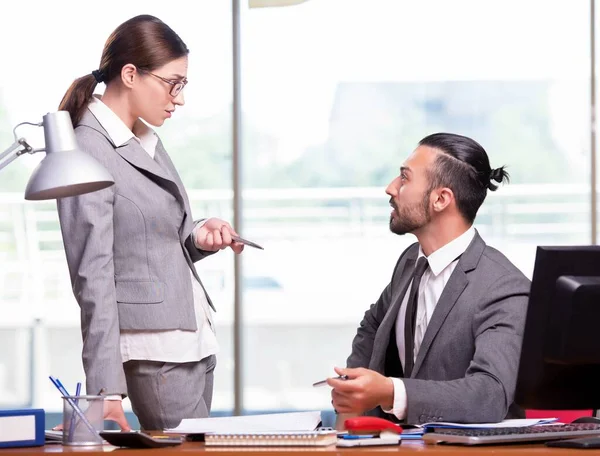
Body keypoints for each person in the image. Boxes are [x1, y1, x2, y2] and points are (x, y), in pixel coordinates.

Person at [56, 14, 243, 431]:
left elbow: (147, 238)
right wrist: (105, 389)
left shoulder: (142, 139)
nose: (179, 98)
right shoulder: (87, 150)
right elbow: (93, 275)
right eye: (173, 83)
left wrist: (198, 237)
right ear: (130, 74)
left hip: (190, 341)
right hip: (155, 351)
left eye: (183, 85)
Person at [328, 133, 530, 425]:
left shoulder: (503, 287)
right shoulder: (411, 261)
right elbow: (373, 324)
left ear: (441, 199)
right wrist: (352, 395)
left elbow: (490, 394)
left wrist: (390, 392)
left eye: (404, 178)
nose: (391, 189)